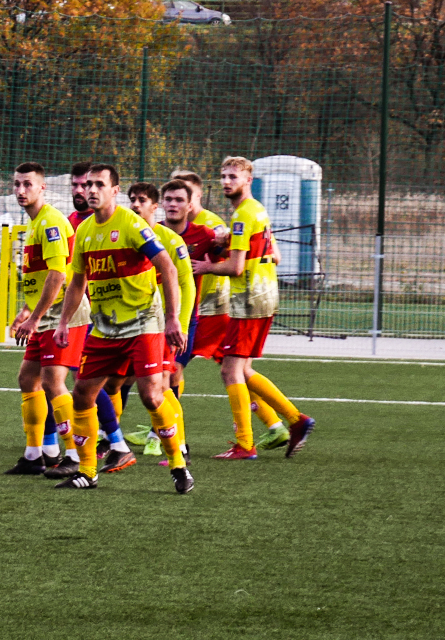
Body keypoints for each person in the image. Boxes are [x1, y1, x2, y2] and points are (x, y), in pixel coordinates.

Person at [53, 164, 191, 494]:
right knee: (82, 394)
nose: (91, 190)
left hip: (143, 323)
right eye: (88, 184)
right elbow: (77, 282)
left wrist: (173, 318)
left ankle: (178, 465)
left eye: (100, 184)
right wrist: (63, 321)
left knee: (152, 396)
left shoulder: (131, 224)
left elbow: (168, 268)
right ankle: (87, 471)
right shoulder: (84, 231)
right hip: (104, 329)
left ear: (114, 191)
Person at [194, 156, 315, 460]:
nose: (226, 182)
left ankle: (245, 444)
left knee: (230, 371)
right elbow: (276, 255)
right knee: (243, 369)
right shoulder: (257, 210)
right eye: (223, 176)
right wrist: (228, 243)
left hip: (249, 299)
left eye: (233, 177)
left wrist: (206, 266)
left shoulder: (242, 216)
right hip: (263, 295)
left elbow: (235, 268)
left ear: (248, 180)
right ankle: (295, 420)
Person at [171, 169, 288, 453]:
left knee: (176, 368)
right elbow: (271, 253)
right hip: (207, 308)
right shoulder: (176, 226)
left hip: (212, 309)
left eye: (182, 193)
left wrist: (214, 260)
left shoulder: (212, 224)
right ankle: (276, 424)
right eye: (171, 194)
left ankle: (161, 432)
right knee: (235, 370)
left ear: (195, 196)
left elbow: (258, 258)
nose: (175, 201)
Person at [3, 162, 83, 477]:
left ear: (42, 187)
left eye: (27, 184)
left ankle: (75, 455)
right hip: (45, 314)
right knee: (28, 378)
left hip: (64, 312)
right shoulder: (35, 223)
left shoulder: (50, 221)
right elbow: (41, 277)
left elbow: (58, 274)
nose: (21, 190)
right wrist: (27, 312)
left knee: (53, 382)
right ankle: (35, 455)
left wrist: (34, 318)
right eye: (17, 184)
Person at [64, 161, 133, 473]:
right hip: (89, 315)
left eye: (89, 184)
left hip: (119, 317)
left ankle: (115, 443)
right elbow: (74, 277)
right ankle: (59, 449)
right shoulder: (75, 224)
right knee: (75, 382)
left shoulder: (122, 222)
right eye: (78, 185)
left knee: (148, 389)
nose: (83, 190)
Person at [128, 180, 194, 460]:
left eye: (141, 200)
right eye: (132, 199)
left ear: (154, 207)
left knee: (164, 384)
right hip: (134, 324)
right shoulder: (127, 235)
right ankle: (111, 439)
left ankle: (176, 444)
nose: (135, 205)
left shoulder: (170, 240)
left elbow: (187, 285)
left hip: (163, 326)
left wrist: (179, 323)